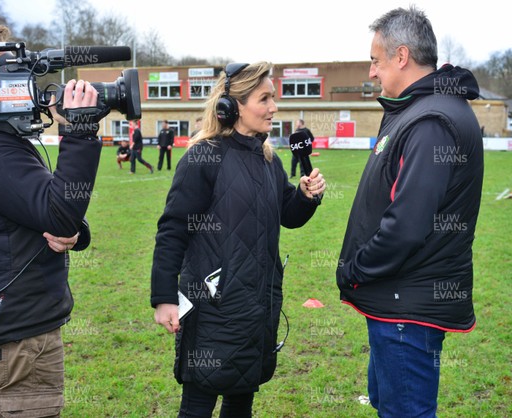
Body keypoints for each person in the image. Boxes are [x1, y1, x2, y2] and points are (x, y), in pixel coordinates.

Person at [0, 25, 107, 417]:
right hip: (18, 336)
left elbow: (43, 211)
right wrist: (80, 129)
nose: (27, 78)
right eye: (16, 66)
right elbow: (57, 212)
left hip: (6, 328)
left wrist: (73, 233)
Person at [151, 61, 326, 417]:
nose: (274, 108)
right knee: (199, 401)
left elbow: (287, 216)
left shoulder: (268, 160)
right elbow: (173, 229)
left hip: (257, 306)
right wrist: (164, 297)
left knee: (242, 398)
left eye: (273, 98)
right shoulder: (203, 157)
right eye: (264, 99)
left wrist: (306, 197)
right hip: (214, 306)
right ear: (233, 107)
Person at [335, 7, 484, 418]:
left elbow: (406, 226)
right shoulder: (419, 110)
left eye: (376, 60)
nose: (372, 71)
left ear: (401, 57)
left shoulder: (431, 120)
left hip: (407, 308)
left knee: (406, 413)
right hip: (401, 301)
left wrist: (354, 269)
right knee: (390, 404)